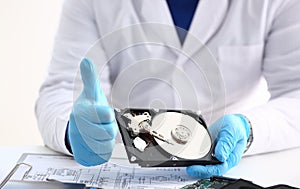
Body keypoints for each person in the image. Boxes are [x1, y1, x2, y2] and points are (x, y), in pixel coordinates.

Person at [36, 0, 300, 178]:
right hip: (126, 165)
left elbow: (296, 92)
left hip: (236, 165)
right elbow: (61, 87)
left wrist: (249, 129)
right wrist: (73, 132)